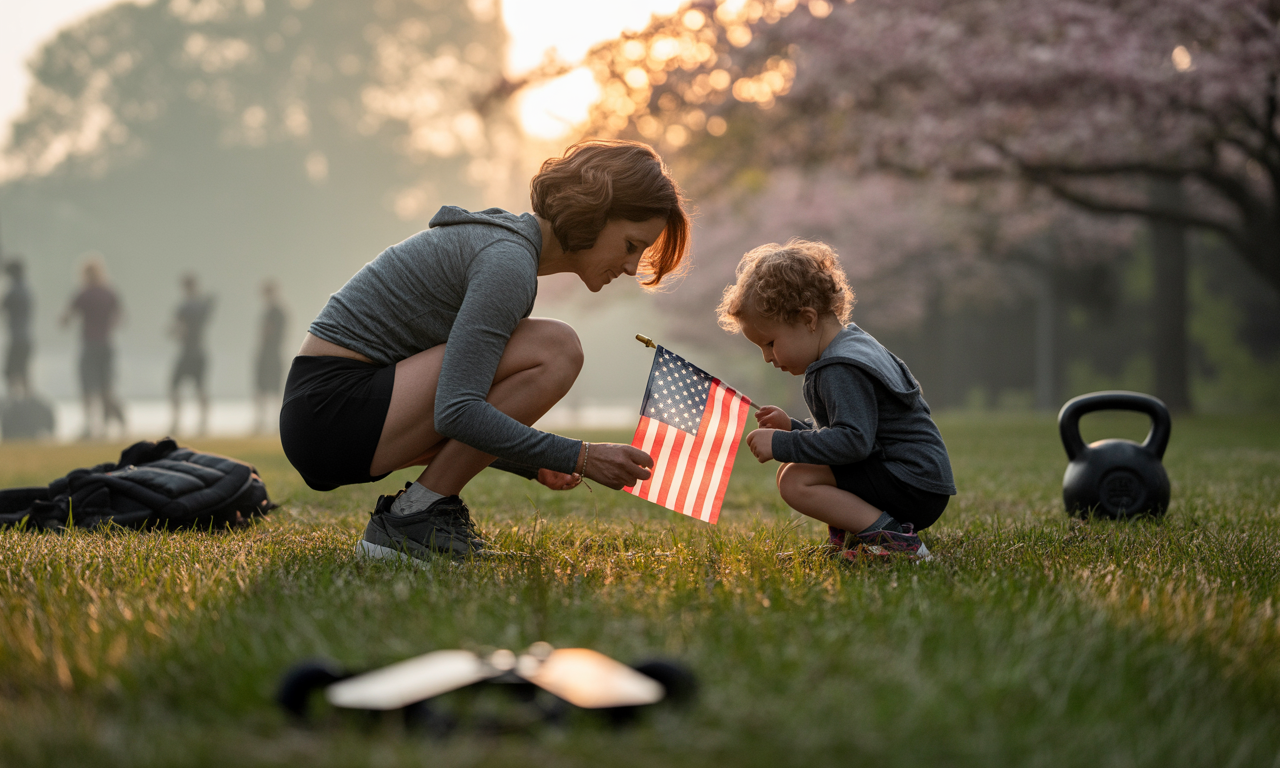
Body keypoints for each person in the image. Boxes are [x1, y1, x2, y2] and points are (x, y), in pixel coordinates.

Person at [280, 139, 689, 562]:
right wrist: (583, 457)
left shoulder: (508, 251)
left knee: (547, 347)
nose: (630, 267)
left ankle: (418, 512)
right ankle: (413, 518)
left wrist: (530, 463)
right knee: (557, 348)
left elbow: (451, 402)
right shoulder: (507, 262)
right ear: (594, 211)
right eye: (630, 245)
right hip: (330, 411)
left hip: (329, 419)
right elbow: (455, 410)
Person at [717, 239, 956, 560]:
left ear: (807, 318)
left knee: (795, 479)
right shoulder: (853, 345)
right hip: (917, 478)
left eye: (770, 342)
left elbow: (852, 443)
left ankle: (897, 543)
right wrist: (793, 427)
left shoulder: (838, 368)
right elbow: (853, 432)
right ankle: (860, 541)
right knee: (797, 469)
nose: (767, 357)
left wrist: (781, 444)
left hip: (912, 483)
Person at [61, 256, 126, 439]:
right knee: (107, 387)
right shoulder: (109, 293)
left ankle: (90, 425)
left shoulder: (84, 293)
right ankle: (112, 424)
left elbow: (66, 317)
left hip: (90, 344)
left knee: (88, 387)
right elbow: (119, 317)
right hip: (107, 344)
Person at [169, 273, 215, 435]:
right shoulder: (203, 305)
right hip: (200, 351)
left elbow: (179, 329)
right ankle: (204, 422)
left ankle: (176, 422)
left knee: (174, 385)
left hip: (188, 351)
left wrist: (171, 332)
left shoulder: (185, 307)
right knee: (201, 388)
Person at [253, 279, 287, 434]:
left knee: (269, 389)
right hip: (273, 353)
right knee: (267, 388)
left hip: (270, 354)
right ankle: (264, 421)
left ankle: (269, 422)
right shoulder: (279, 312)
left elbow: (268, 332)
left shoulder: (275, 313)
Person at [2, 259, 33, 399]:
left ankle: (13, 402)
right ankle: (27, 401)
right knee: (23, 372)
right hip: (26, 338)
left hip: (17, 338)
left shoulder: (13, 292)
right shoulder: (26, 290)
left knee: (11, 373)